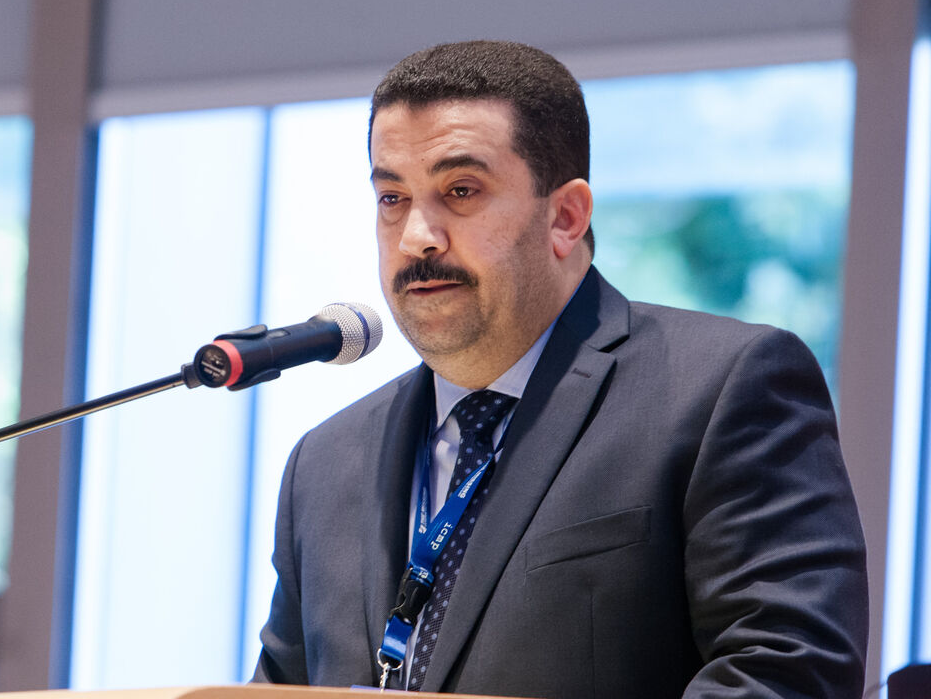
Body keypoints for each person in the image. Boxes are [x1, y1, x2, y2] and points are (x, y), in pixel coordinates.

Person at [251, 40, 867, 698]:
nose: (416, 237)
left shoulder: (721, 388)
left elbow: (787, 673)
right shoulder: (325, 463)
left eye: (461, 191)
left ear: (566, 216)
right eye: (392, 198)